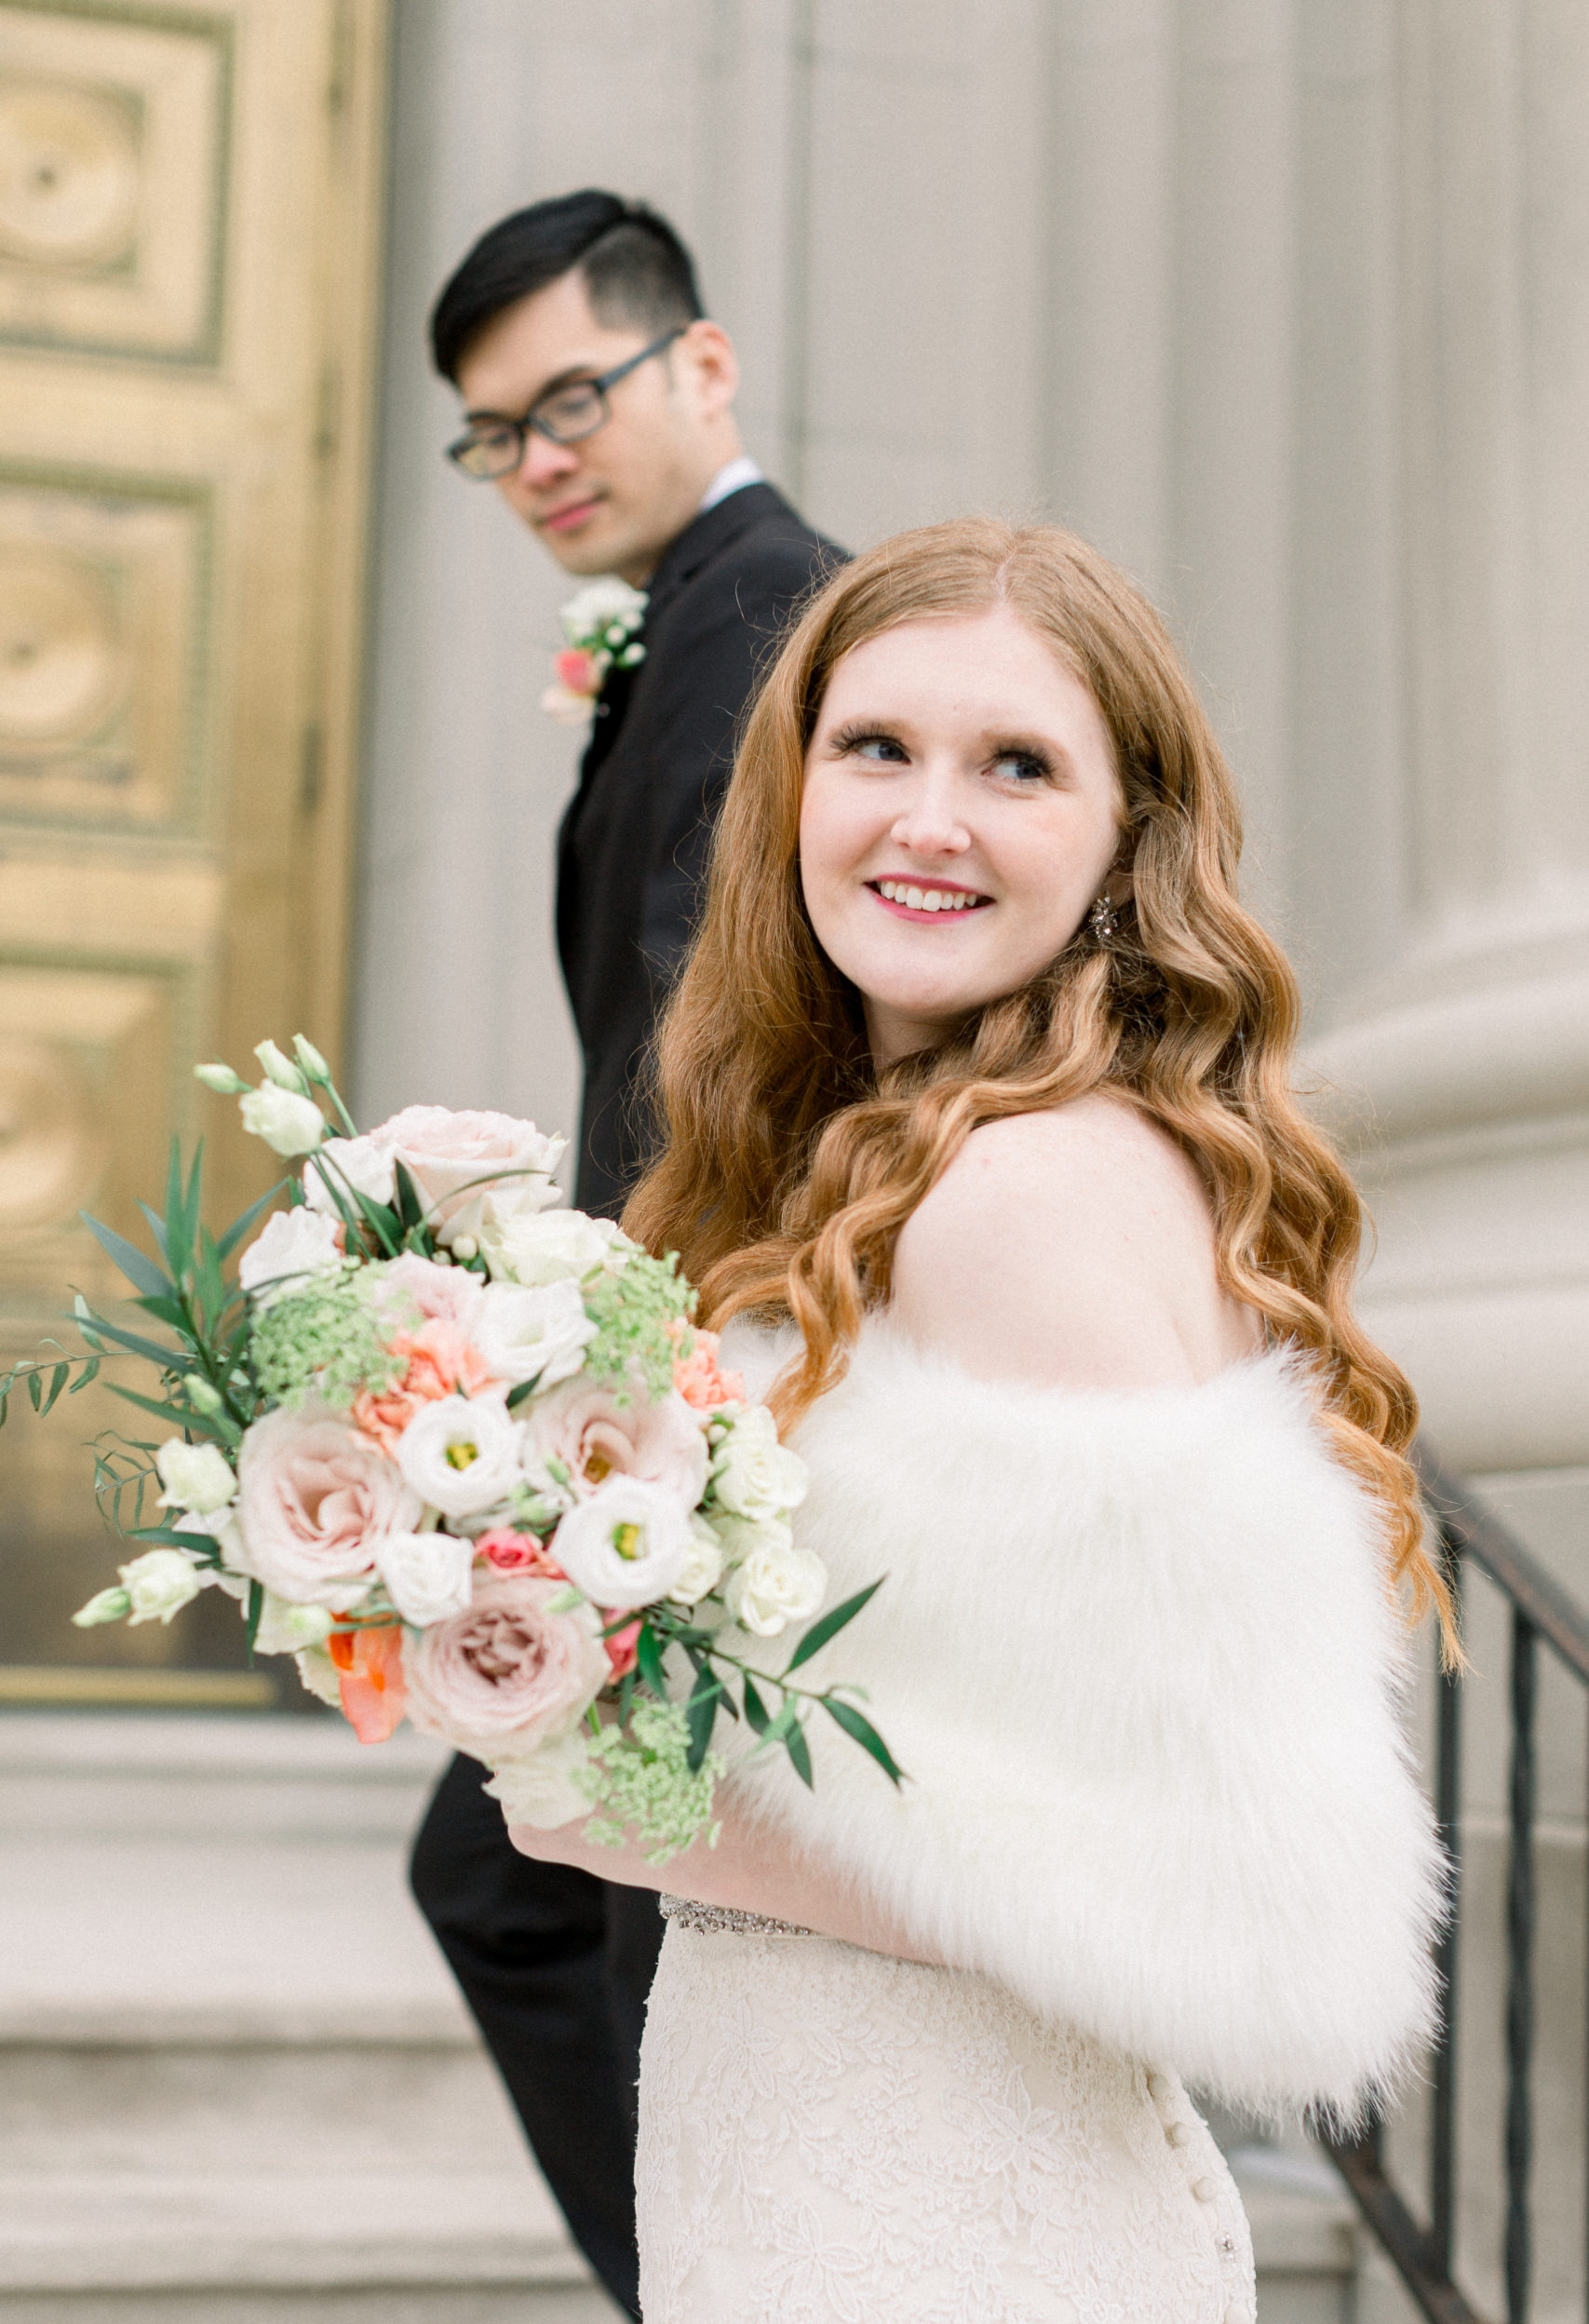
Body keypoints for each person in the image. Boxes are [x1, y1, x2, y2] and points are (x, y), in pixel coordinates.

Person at [505, 518, 1449, 2320]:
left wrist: (626, 1800)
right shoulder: (909, 1159)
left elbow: (1216, 1895)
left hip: (940, 2214)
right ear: (790, 791)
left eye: (1013, 764)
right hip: (831, 2160)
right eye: (875, 748)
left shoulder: (1020, 1197)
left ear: (1120, 842)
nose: (926, 819)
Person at [407, 190, 842, 2318]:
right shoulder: (689, 616)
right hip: (662, 1386)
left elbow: (729, 1058)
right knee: (556, 1892)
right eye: (495, 436)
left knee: (572, 1893)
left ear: (703, 362)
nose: (535, 458)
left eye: (566, 396)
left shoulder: (776, 622)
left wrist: (611, 1416)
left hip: (702, 1405)